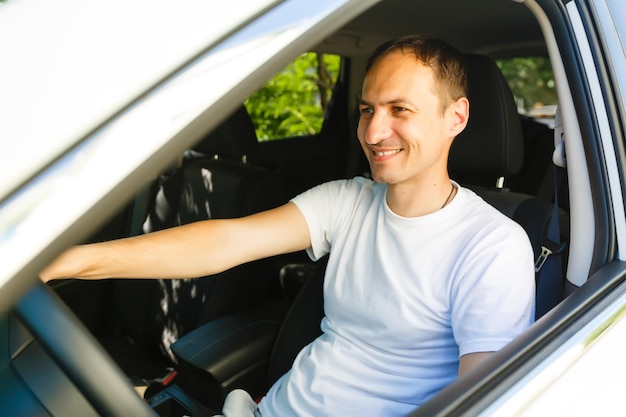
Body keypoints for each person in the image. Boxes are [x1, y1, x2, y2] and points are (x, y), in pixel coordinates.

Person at [41, 35, 535, 416]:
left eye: (400, 110)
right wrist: (72, 261)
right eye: (367, 110)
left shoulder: (492, 245)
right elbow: (228, 240)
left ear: (457, 117)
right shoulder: (350, 200)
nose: (373, 131)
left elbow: (485, 400)